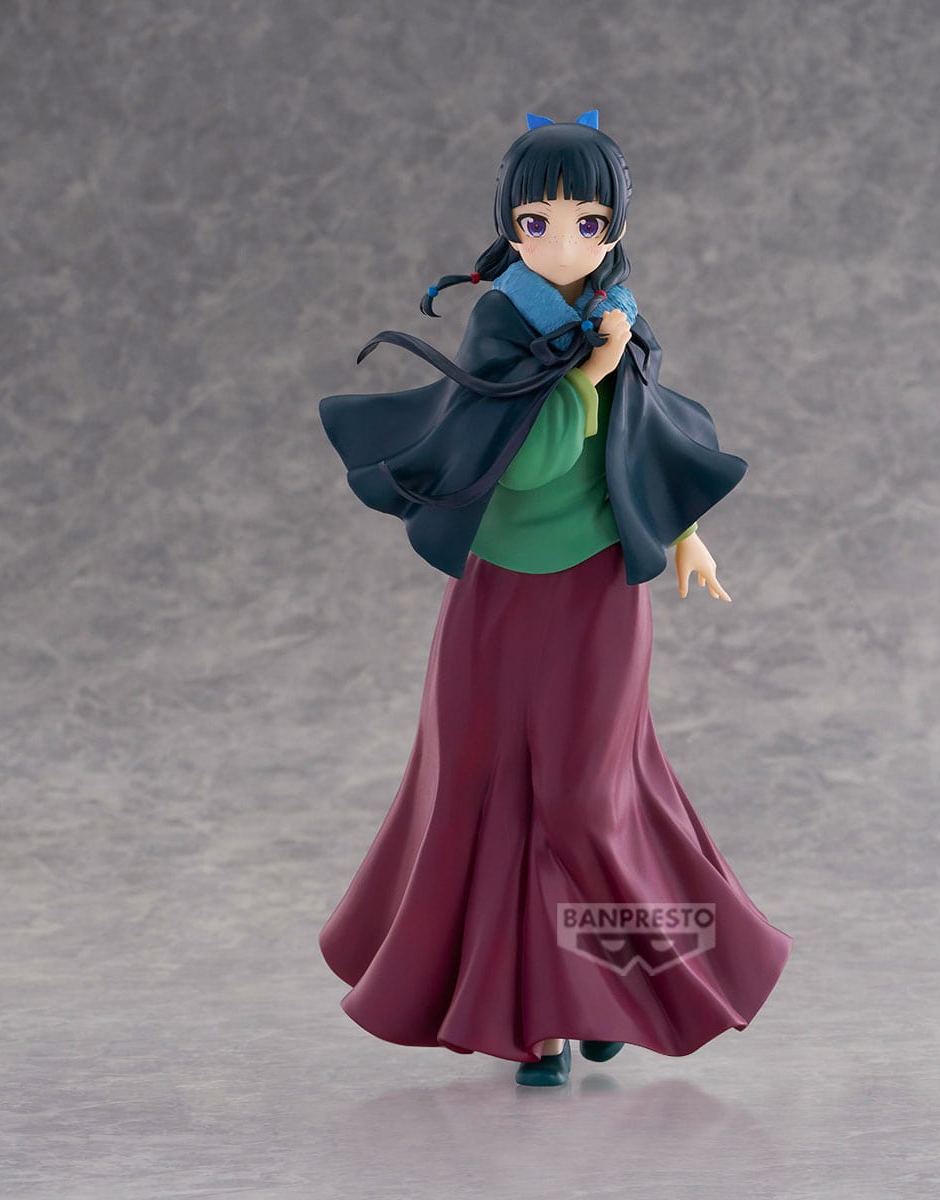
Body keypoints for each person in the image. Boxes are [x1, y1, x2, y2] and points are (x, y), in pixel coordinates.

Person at [317, 109, 792, 1087]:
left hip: (599, 591)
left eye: (588, 222)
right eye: (538, 222)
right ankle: (536, 1022)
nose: (565, 241)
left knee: (591, 798)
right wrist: (589, 376)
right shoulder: (505, 323)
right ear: (511, 225)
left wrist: (685, 532)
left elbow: (647, 439)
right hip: (501, 592)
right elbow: (526, 466)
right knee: (487, 792)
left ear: (615, 226)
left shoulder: (620, 313)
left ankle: (608, 985)